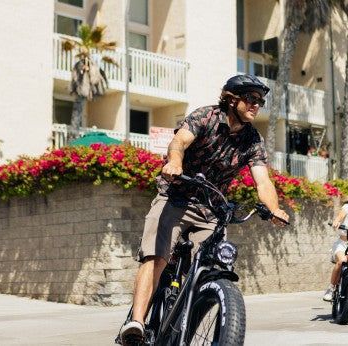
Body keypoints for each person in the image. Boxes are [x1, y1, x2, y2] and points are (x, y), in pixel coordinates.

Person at [120, 74, 290, 344]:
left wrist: (274, 209)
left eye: (261, 101)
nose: (257, 105)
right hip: (176, 198)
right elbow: (179, 141)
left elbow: (263, 179)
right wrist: (175, 162)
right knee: (157, 255)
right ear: (232, 100)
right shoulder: (206, 117)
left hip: (211, 212)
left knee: (207, 268)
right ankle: (136, 324)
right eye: (252, 99)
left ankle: (183, 328)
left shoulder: (253, 140)